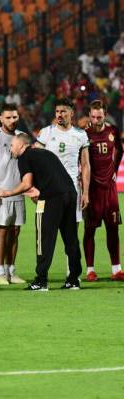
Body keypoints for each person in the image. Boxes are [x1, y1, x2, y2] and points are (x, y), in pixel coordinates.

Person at [0, 134, 82, 290]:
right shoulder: (46, 153)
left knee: (44, 240)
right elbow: (50, 176)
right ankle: (74, 280)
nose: (11, 149)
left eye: (12, 146)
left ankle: (41, 281)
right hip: (70, 194)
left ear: (22, 146)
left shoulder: (24, 157)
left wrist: (7, 193)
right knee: (71, 239)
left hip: (51, 198)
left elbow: (27, 183)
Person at [0, 104, 27, 285]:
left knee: (15, 232)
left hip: (17, 191)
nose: (12, 121)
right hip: (1, 193)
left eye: (15, 117)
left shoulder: (21, 137)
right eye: (8, 117)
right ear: (1, 118)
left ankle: (11, 271)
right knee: (2, 232)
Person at [83, 100, 124, 282]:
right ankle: (90, 270)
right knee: (90, 230)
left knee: (113, 229)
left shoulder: (112, 131)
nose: (96, 120)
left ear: (105, 115)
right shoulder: (83, 134)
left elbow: (120, 151)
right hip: (92, 190)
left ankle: (116, 269)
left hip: (110, 190)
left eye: (99, 116)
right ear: (89, 115)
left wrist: (114, 172)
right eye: (93, 116)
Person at [36, 98, 90, 224]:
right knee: (49, 233)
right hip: (50, 189)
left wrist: (85, 193)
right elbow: (36, 162)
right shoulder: (46, 133)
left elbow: (86, 165)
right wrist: (36, 187)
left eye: (63, 111)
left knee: (72, 236)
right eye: (57, 111)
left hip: (73, 189)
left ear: (71, 113)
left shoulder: (80, 135)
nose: (59, 114)